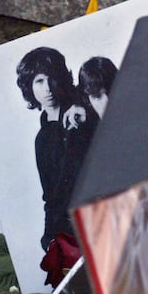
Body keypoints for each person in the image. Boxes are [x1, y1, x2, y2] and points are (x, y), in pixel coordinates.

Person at [16, 47, 95, 251]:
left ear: (61, 78)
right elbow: (50, 197)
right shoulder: (42, 141)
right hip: (71, 229)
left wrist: (84, 110)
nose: (47, 88)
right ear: (29, 88)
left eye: (52, 78)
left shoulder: (85, 106)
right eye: (39, 81)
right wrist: (49, 238)